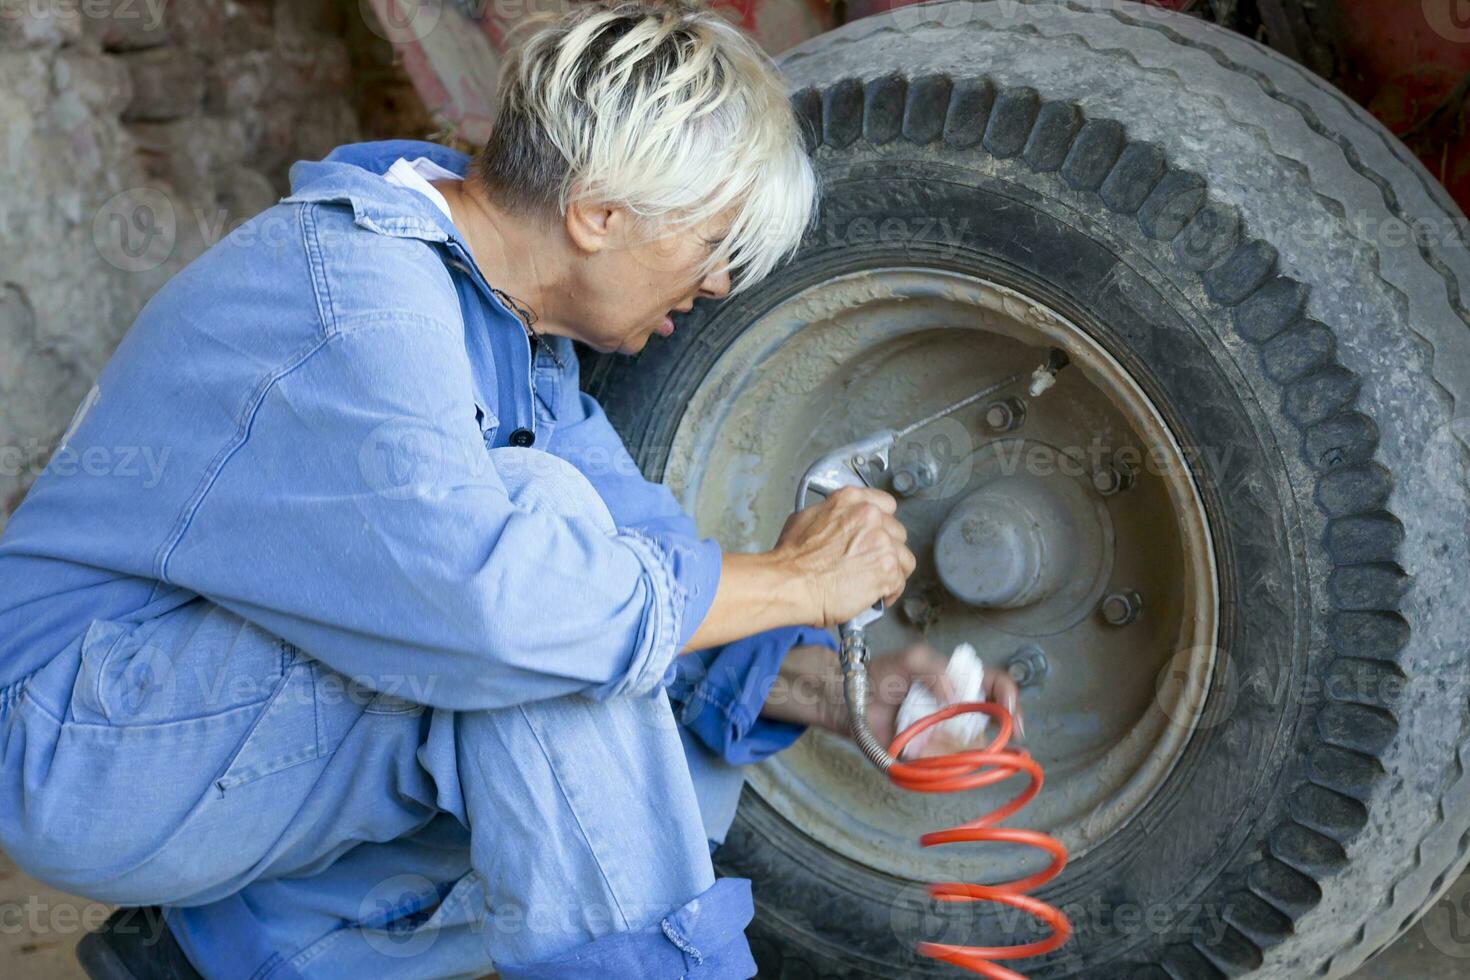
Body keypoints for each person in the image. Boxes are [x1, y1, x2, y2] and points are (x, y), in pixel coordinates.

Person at [0, 2, 1016, 976]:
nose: (717, 284)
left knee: (623, 659)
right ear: (599, 212)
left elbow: (650, 569)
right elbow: (503, 605)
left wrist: (839, 689)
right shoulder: (357, 300)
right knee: (545, 622)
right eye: (715, 245)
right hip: (75, 736)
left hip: (196, 717)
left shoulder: (509, 334)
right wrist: (798, 579)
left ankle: (238, 947)